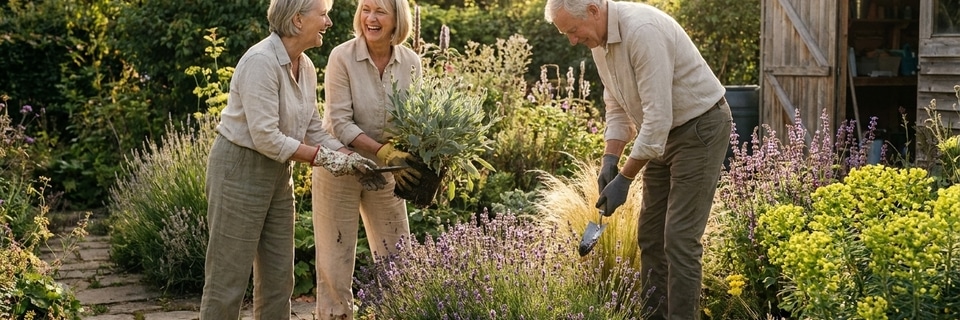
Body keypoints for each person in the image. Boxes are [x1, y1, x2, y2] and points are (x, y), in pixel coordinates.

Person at [545, 0, 733, 319]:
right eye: (566, 33)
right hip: (659, 134)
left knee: (679, 238)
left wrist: (625, 178)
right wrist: (609, 159)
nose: (572, 40)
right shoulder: (600, 42)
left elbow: (658, 120)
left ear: (593, 10)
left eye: (573, 31)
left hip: (698, 129)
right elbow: (617, 106)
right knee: (650, 235)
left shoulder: (642, 30)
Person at [199, 0, 387, 318]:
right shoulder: (260, 62)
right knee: (227, 281)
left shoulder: (306, 66)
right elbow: (266, 137)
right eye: (323, 15)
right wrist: (324, 159)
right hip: (239, 169)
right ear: (298, 20)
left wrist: (348, 156)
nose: (328, 23)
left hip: (278, 172)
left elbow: (313, 128)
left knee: (278, 279)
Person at [311, 0, 422, 317]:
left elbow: (414, 118)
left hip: (387, 170)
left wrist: (414, 151)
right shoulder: (342, 57)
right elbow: (340, 121)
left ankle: (398, 313)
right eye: (366, 10)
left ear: (397, 18)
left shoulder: (410, 62)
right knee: (335, 260)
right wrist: (381, 149)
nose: (370, 18)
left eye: (380, 12)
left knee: (397, 255)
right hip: (340, 166)